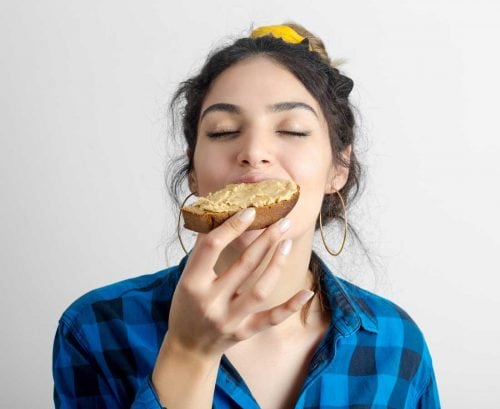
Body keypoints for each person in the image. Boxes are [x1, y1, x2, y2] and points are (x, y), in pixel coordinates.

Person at [52, 22, 441, 408]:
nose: (254, 152)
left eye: (291, 130)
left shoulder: (397, 344)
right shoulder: (97, 329)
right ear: (193, 171)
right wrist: (189, 352)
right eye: (223, 131)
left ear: (338, 166)